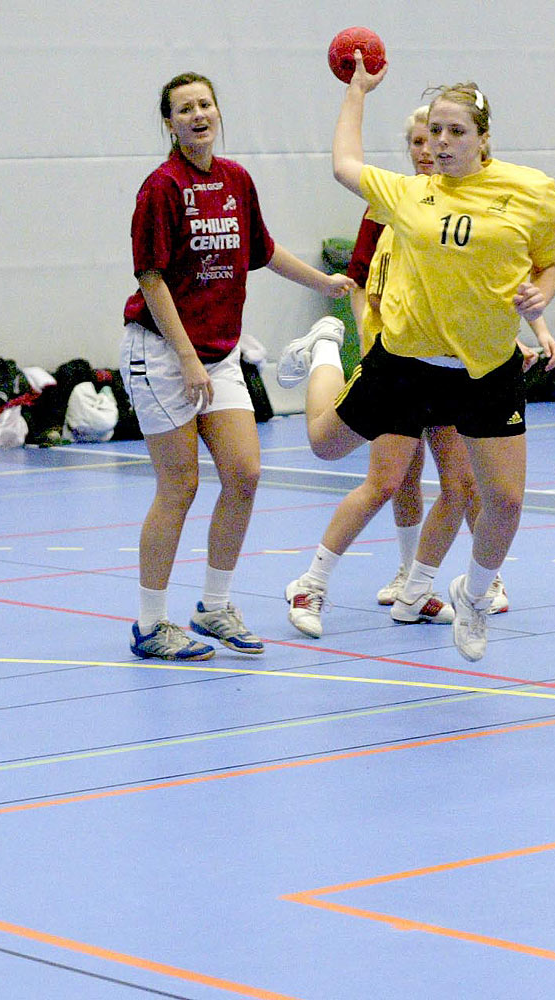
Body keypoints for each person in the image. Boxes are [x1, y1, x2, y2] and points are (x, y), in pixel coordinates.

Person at [277, 58, 555, 661]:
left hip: (483, 369)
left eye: (454, 131)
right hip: (405, 365)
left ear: (483, 138)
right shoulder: (408, 193)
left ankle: (471, 590)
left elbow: (549, 261)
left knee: (506, 501)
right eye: (433, 131)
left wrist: (542, 295)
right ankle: (326, 353)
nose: (439, 143)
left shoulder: (532, 191)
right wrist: (356, 92)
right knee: (325, 446)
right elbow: (343, 163)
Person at [121, 71, 355, 661]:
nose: (197, 114)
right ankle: (151, 626)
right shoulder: (161, 188)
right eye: (184, 108)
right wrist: (184, 358)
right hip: (161, 351)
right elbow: (150, 279)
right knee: (180, 484)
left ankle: (215, 606)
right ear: (168, 123)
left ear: (217, 111)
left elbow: (263, 250)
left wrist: (323, 281)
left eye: (205, 104)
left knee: (245, 474)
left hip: (219, 353)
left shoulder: (235, 181)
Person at [325, 104, 531, 628]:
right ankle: (405, 574)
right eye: (420, 139)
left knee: (463, 479)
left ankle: (462, 578)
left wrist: (525, 336)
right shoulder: (390, 202)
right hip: (398, 361)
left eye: (441, 135)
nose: (428, 147)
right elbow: (362, 286)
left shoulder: (490, 203)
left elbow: (503, 281)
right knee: (390, 475)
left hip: (460, 367)